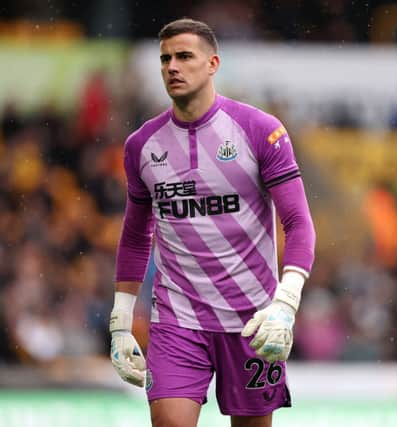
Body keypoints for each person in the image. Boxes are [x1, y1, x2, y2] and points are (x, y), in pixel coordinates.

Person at [109, 18, 315, 427]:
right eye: (165, 58)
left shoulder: (260, 131)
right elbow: (136, 234)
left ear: (212, 63)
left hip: (253, 320)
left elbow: (298, 222)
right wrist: (120, 321)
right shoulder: (141, 146)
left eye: (184, 56)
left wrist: (286, 304)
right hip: (177, 320)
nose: (172, 66)